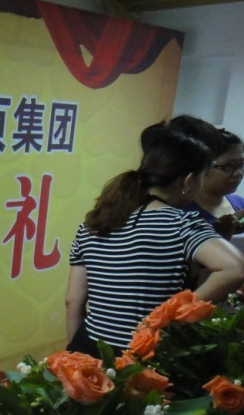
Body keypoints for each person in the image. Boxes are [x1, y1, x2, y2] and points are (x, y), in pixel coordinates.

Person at [65, 116, 244, 356]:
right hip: (143, 355)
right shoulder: (181, 223)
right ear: (188, 180)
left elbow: (73, 301)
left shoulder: (93, 222)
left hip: (89, 348)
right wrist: (168, 319)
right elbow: (234, 269)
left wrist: (74, 356)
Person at [185, 128, 244, 251]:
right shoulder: (184, 214)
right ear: (202, 166)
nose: (239, 173)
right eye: (229, 166)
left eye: (241, 164)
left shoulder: (239, 203)